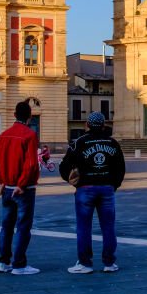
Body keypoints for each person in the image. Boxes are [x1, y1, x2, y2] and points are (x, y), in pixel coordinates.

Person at [59, 111, 125, 274]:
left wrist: (74, 181)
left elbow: (64, 166)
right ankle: (109, 263)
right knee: (108, 226)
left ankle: (85, 263)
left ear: (87, 125)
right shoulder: (112, 143)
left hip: (85, 188)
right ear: (104, 125)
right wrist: (113, 185)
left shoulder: (79, 142)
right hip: (106, 188)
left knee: (83, 227)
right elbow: (121, 168)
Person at [0, 101, 41, 275]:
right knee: (23, 226)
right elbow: (31, 165)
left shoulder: (3, 135)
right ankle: (19, 264)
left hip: (6, 188)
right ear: (30, 116)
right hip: (24, 189)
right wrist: (21, 184)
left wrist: (1, 181)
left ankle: (4, 262)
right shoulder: (30, 135)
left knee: (6, 226)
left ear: (14, 115)